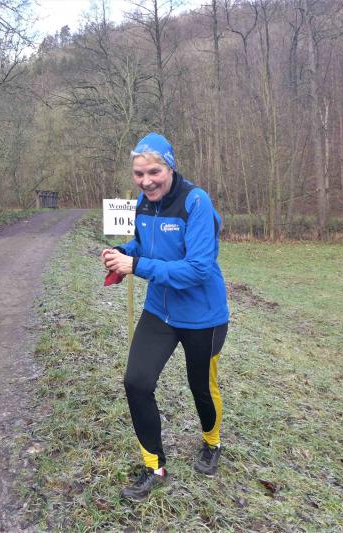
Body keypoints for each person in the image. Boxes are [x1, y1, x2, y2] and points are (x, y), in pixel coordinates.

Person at [101, 132, 229, 502]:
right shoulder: (143, 204)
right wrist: (123, 252)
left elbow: (198, 269)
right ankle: (154, 466)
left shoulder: (196, 202)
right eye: (139, 174)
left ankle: (212, 442)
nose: (146, 181)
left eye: (154, 172)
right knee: (136, 382)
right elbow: (145, 245)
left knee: (200, 386)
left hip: (203, 316)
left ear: (170, 167)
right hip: (160, 310)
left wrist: (137, 265)